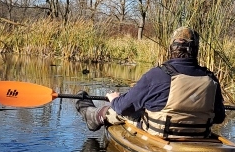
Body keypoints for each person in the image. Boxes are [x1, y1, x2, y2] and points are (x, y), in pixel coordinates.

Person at [76, 27, 226, 139]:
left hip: (159, 137)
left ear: (171, 49)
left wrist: (115, 98)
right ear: (196, 50)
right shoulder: (211, 79)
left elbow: (122, 107)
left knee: (115, 109)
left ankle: (92, 116)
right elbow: (219, 117)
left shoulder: (157, 75)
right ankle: (91, 113)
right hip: (199, 138)